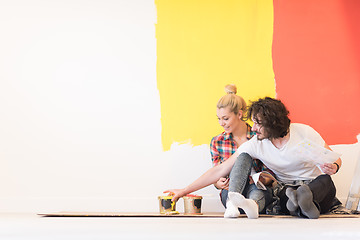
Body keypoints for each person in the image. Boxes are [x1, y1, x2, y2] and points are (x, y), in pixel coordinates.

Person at [165, 97, 341, 219]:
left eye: (258, 123)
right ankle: (305, 205)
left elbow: (335, 159)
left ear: (272, 123)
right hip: (287, 188)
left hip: (313, 182)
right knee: (287, 198)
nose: (254, 128)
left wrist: (334, 166)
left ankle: (306, 198)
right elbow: (220, 169)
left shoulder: (304, 132)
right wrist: (183, 191)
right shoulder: (256, 144)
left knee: (325, 181)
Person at [210, 84, 274, 214]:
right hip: (230, 190)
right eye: (219, 119)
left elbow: (271, 172)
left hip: (255, 187)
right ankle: (233, 205)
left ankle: (252, 206)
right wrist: (218, 183)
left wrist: (262, 178)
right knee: (230, 193)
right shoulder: (217, 142)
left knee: (257, 192)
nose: (222, 123)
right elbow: (216, 172)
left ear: (239, 114)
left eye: (225, 118)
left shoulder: (259, 137)